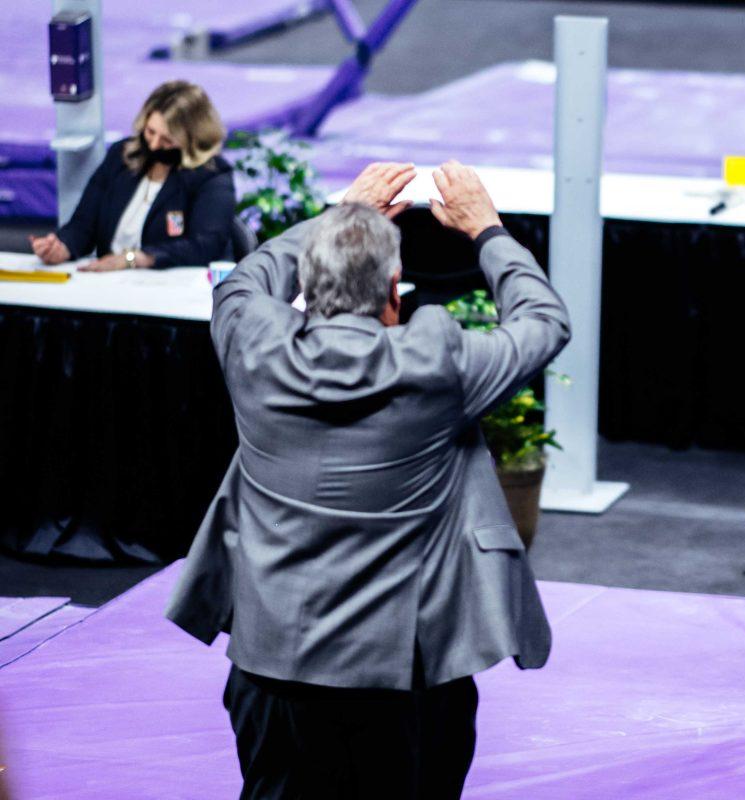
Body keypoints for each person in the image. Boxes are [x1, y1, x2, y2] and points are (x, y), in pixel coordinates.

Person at [164, 160, 570, 798]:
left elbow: (244, 282)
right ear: (394, 285)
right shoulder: (437, 363)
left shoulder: (253, 345)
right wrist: (486, 229)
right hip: (402, 678)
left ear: (308, 280)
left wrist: (336, 218)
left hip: (270, 665)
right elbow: (543, 322)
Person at [29, 80, 234, 271]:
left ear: (193, 139)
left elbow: (205, 246)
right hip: (110, 286)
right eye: (150, 132)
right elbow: (83, 224)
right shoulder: (121, 156)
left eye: (167, 140)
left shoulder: (212, 175)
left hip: (169, 292)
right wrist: (62, 246)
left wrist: (136, 259)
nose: (154, 145)